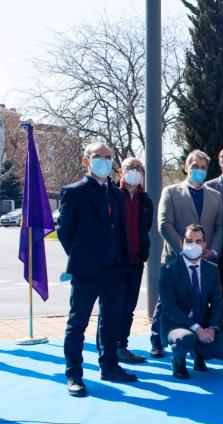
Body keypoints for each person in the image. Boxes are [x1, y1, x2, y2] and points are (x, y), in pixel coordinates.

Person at [57, 142, 135, 396]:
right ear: (86, 160)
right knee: (77, 323)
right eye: (97, 156)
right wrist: (82, 256)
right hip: (87, 270)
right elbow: (65, 231)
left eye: (108, 157)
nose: (103, 160)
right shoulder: (74, 192)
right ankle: (74, 375)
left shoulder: (116, 193)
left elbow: (120, 229)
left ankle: (110, 366)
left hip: (114, 270)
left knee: (111, 320)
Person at [151, 150, 223, 358]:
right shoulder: (171, 191)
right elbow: (165, 224)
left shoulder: (215, 196)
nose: (199, 170)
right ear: (186, 167)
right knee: (165, 302)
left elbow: (220, 226)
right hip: (176, 258)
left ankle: (197, 343)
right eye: (195, 166)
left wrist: (211, 251)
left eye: (203, 167)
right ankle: (157, 339)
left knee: (199, 299)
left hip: (204, 257)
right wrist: (185, 251)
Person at [159, 224, 223, 379]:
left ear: (204, 245)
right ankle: (178, 362)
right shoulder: (168, 270)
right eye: (189, 240)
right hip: (176, 324)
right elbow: (169, 308)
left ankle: (198, 354)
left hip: (203, 322)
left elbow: (217, 303)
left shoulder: (211, 269)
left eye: (198, 241)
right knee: (186, 338)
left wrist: (212, 328)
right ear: (181, 243)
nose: (194, 245)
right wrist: (197, 329)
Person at [110, 157, 153, 363]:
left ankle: (122, 346)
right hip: (115, 262)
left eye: (138, 168)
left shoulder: (146, 200)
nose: (134, 171)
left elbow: (146, 228)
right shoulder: (111, 195)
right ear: (120, 171)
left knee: (128, 307)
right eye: (130, 168)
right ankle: (108, 348)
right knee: (111, 307)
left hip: (136, 262)